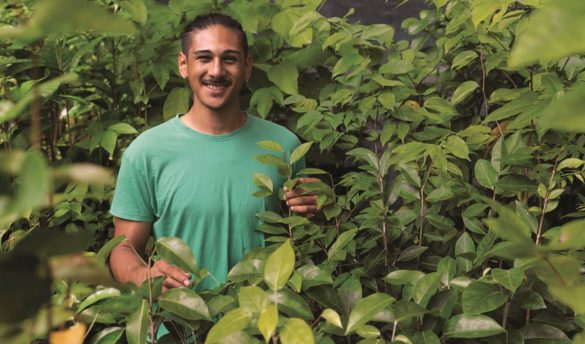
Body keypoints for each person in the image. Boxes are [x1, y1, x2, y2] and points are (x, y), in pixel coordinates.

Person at [109, 13, 319, 292]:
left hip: (266, 327)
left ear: (247, 67)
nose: (216, 71)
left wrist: (322, 207)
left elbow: (305, 235)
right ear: (184, 65)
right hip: (178, 329)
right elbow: (122, 251)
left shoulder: (285, 146)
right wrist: (142, 275)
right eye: (204, 58)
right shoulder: (147, 152)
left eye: (229, 58)